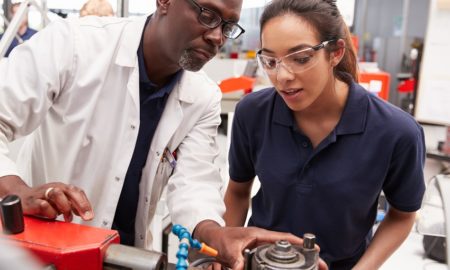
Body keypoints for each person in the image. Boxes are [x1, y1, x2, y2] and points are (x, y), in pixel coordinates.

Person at [0, 0, 303, 268]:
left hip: (130, 256)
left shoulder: (202, 97)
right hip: (44, 251)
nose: (216, 36)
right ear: (165, 1)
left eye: (229, 26)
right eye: (208, 14)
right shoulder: (75, 45)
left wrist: (217, 234)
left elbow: (195, 183)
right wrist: (18, 190)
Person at [224, 0, 426, 269]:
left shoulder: (396, 132)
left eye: (301, 58)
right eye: (271, 61)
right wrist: (226, 253)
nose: (282, 76)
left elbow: (402, 216)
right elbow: (238, 191)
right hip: (260, 262)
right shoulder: (253, 113)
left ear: (335, 52)